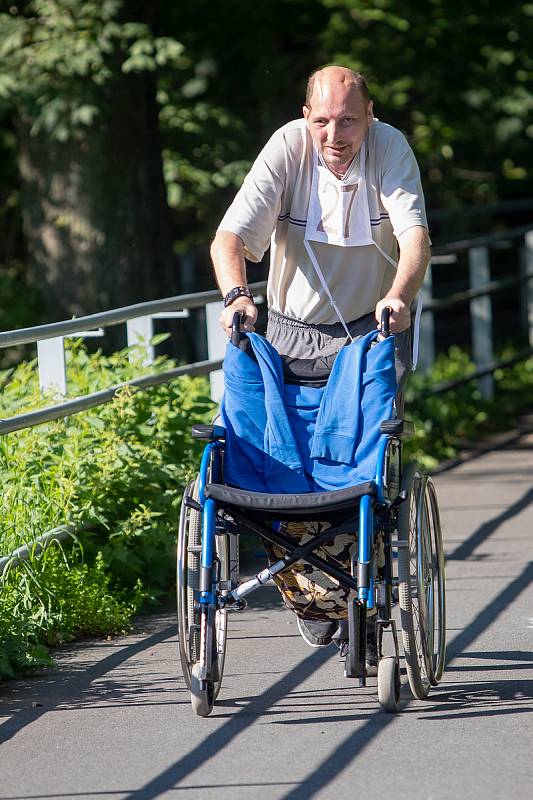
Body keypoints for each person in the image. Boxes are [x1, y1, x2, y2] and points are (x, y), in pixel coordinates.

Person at [210, 65, 430, 667]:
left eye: (350, 120)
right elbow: (228, 240)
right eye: (324, 120)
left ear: (370, 115)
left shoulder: (389, 149)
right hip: (288, 330)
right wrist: (236, 298)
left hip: (370, 327)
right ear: (307, 115)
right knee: (280, 465)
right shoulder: (288, 148)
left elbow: (415, 238)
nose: (337, 134)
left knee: (363, 464)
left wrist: (400, 297)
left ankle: (356, 586)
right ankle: (308, 592)